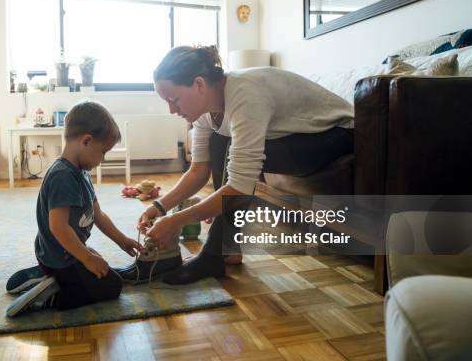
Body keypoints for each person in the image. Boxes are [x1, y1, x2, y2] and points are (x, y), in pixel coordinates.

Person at [140, 45, 354, 285]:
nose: (172, 110)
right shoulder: (203, 111)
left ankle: (215, 253)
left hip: (338, 134)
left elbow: (241, 185)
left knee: (229, 147)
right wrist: (160, 207)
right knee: (220, 142)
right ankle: (228, 248)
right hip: (294, 138)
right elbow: (199, 170)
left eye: (174, 99)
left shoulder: (245, 93)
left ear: (199, 84)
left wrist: (177, 220)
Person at [6, 101, 142, 317]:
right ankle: (50, 295)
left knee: (103, 269)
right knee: (112, 287)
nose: (103, 159)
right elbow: (58, 227)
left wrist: (122, 240)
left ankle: (44, 274)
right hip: (60, 257)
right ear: (86, 141)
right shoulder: (63, 177)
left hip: (64, 251)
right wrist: (86, 258)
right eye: (103, 152)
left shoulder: (81, 173)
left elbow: (98, 216)